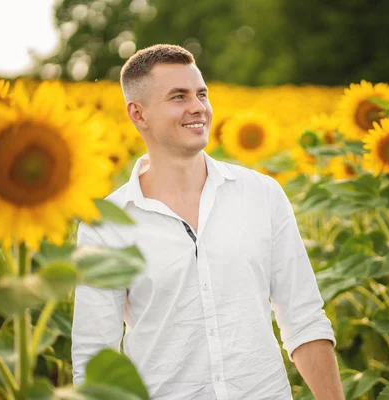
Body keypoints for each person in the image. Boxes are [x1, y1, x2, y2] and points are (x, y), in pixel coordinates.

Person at [71, 44, 344, 400]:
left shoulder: (262, 194)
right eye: (178, 97)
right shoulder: (106, 226)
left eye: (201, 94)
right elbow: (95, 360)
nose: (198, 107)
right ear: (138, 114)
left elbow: (304, 319)